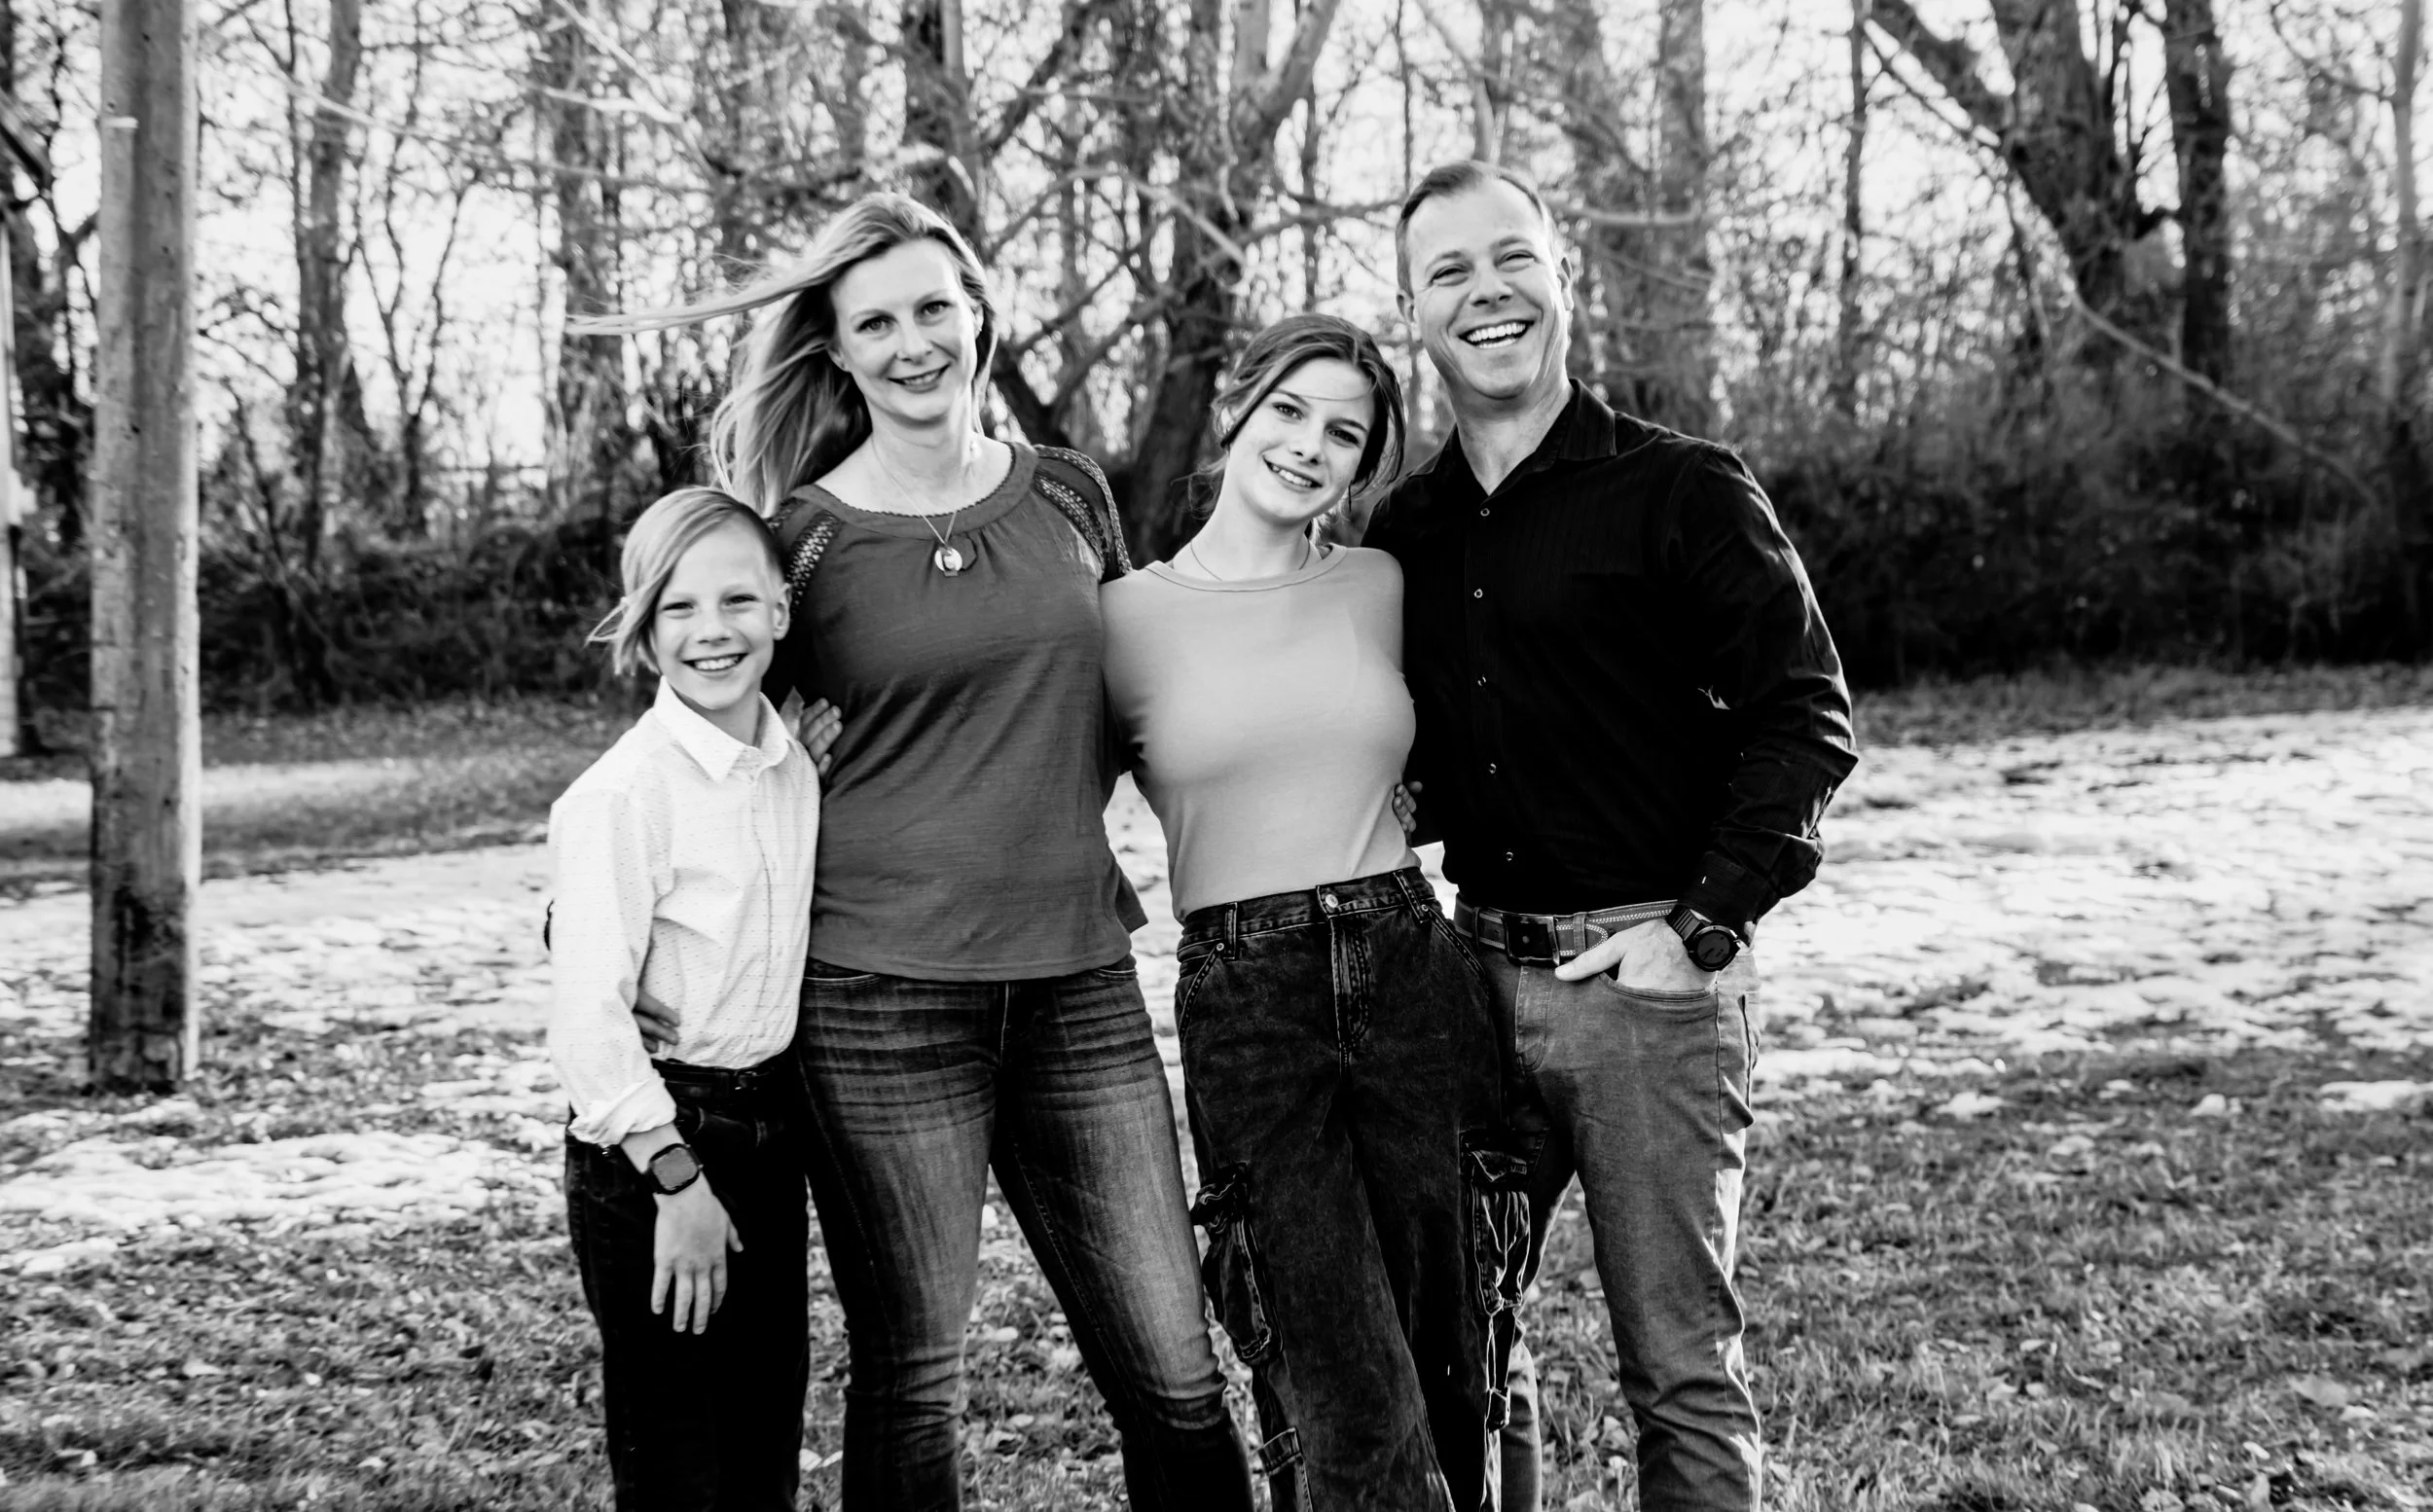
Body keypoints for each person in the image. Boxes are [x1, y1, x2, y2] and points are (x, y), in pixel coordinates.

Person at [604, 192, 1254, 1512]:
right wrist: (624, 918)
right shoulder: (797, 540)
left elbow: (1136, 702)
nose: (912, 344)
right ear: (837, 352)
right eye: (876, 324)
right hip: (877, 1001)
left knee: (1179, 1376)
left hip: (1077, 984)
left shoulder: (1068, 491)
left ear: (979, 316)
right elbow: (697, 739)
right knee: (916, 1381)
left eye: (932, 310)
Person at [1362, 162, 1859, 1512]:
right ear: (1413, 314)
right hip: (1471, 986)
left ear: (1562, 278)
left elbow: (1806, 718)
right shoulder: (1404, 531)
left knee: (1679, 1370)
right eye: (1448, 272)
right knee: (1464, 1353)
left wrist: (1700, 928)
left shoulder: (1681, 488)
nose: (1487, 293)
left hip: (1648, 992)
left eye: (1511, 258)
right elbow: (1438, 748)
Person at [1102, 314, 1523, 1512]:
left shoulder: (1378, 586)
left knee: (1454, 1367)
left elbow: (1478, 729)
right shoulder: (1122, 618)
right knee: (1345, 1397)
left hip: (1411, 972)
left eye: (1344, 434)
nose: (1308, 446)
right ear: (1235, 408)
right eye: (1288, 410)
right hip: (1250, 1004)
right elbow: (1036, 794)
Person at [548, 486, 822, 1511]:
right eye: (680, 607)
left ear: (781, 611)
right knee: (678, 1465)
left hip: (768, 1138)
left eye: (738, 600)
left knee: (761, 1452)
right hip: (657, 1153)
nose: (713, 630)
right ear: (644, 626)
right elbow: (587, 1021)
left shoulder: (791, 771)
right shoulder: (625, 794)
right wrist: (675, 1181)